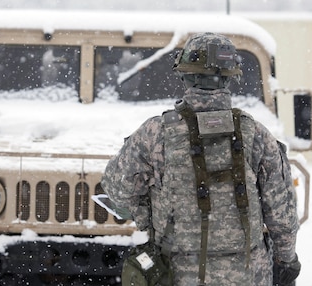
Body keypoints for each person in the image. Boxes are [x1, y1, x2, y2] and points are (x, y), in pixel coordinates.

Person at [101, 32, 301, 285]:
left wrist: (148, 213)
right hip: (248, 273)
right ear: (230, 78)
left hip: (177, 273)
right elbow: (281, 212)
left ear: (185, 76)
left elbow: (118, 189)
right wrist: (287, 259)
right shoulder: (257, 134)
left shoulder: (154, 134)